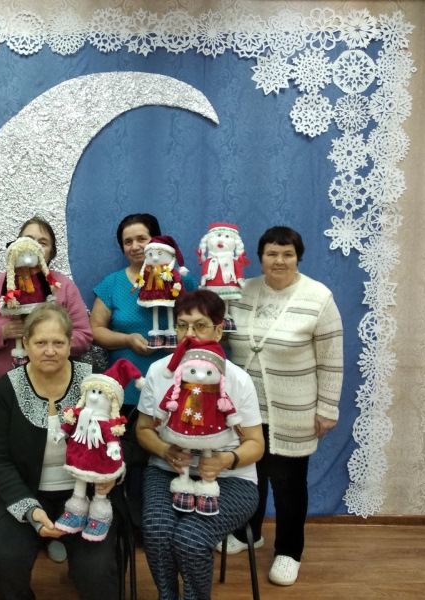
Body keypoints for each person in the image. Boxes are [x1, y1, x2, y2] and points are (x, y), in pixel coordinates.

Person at [224, 225, 344, 586]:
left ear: (298, 257)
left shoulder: (318, 297)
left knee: (288, 484)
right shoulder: (240, 291)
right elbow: (219, 334)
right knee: (248, 475)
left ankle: (289, 552)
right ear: (260, 257)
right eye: (272, 253)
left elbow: (332, 359)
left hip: (294, 411)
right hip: (245, 409)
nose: (279, 260)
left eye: (287, 254)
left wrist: (327, 408)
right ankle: (248, 532)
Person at [0, 216, 92, 564]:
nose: (35, 245)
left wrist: (50, 341)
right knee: (19, 463)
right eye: (28, 239)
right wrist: (6, 333)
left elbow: (84, 336)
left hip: (60, 391)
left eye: (43, 241)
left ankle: (58, 526)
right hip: (9, 393)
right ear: (14, 247)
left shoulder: (63, 287)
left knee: (55, 460)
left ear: (51, 251)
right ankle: (29, 526)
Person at [0, 304, 119, 600]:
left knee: (96, 571)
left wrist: (112, 475)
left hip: (86, 495)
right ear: (26, 344)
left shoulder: (96, 383)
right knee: (6, 560)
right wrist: (30, 510)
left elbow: (121, 440)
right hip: (25, 490)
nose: (49, 351)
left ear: (70, 344)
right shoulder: (7, 388)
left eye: (58, 342)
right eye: (41, 342)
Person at [136, 289, 264, 600]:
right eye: (182, 325)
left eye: (200, 325)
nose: (190, 334)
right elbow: (143, 430)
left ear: (219, 330)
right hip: (167, 470)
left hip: (231, 479)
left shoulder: (237, 379)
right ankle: (167, 596)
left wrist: (226, 460)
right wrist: (165, 450)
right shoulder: (159, 372)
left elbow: (256, 444)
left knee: (190, 538)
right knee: (157, 530)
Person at [90, 213, 198, 409]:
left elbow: (203, 326)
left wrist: (182, 344)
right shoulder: (112, 283)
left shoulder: (183, 281)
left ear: (156, 241)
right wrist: (128, 340)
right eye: (128, 242)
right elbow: (95, 331)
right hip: (126, 389)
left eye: (141, 239)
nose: (135, 246)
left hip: (178, 386)